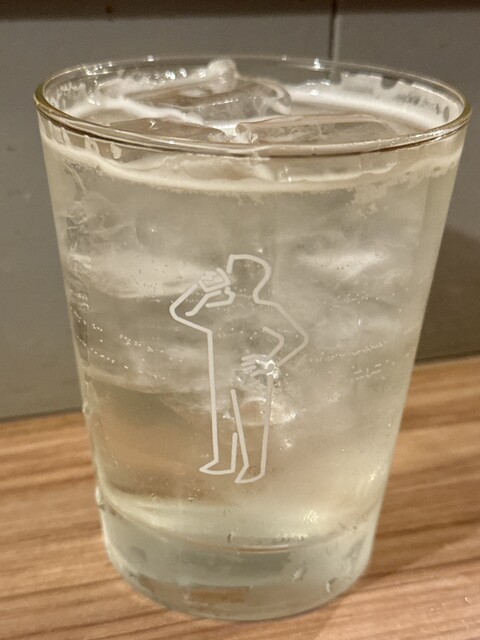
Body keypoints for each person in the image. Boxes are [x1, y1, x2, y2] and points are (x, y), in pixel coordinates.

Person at [170, 254, 308, 484]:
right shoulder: (218, 306)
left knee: (249, 423)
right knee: (225, 418)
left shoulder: (264, 309)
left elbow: (297, 338)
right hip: (222, 373)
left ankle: (252, 468)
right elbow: (181, 314)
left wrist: (268, 362)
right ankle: (222, 461)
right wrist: (202, 290)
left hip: (252, 379)